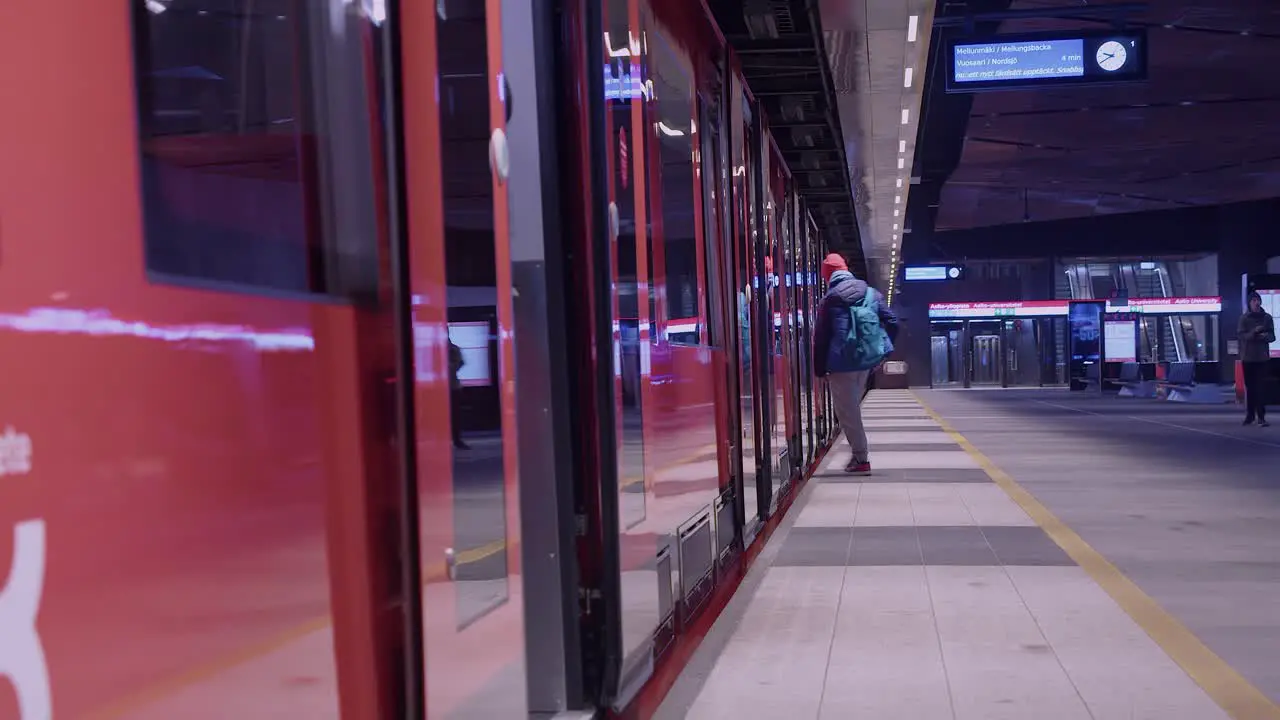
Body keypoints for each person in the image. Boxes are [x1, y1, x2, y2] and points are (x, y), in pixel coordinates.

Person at [813, 253, 899, 474]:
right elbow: (892, 322)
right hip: (865, 362)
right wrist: (881, 352)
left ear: (828, 276)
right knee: (852, 410)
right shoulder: (872, 293)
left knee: (847, 413)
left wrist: (819, 368)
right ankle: (858, 456)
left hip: (842, 364)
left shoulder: (831, 298)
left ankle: (861, 459)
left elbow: (821, 337)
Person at [1238, 290, 1275, 427]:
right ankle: (1250, 415)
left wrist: (1264, 336)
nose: (1256, 303)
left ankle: (1261, 417)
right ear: (1249, 303)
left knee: (1261, 388)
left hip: (1262, 359)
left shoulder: (1267, 318)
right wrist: (1254, 332)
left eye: (1258, 300)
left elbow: (1272, 337)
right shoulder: (1244, 318)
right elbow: (1242, 336)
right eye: (1253, 301)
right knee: (1251, 388)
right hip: (1248, 358)